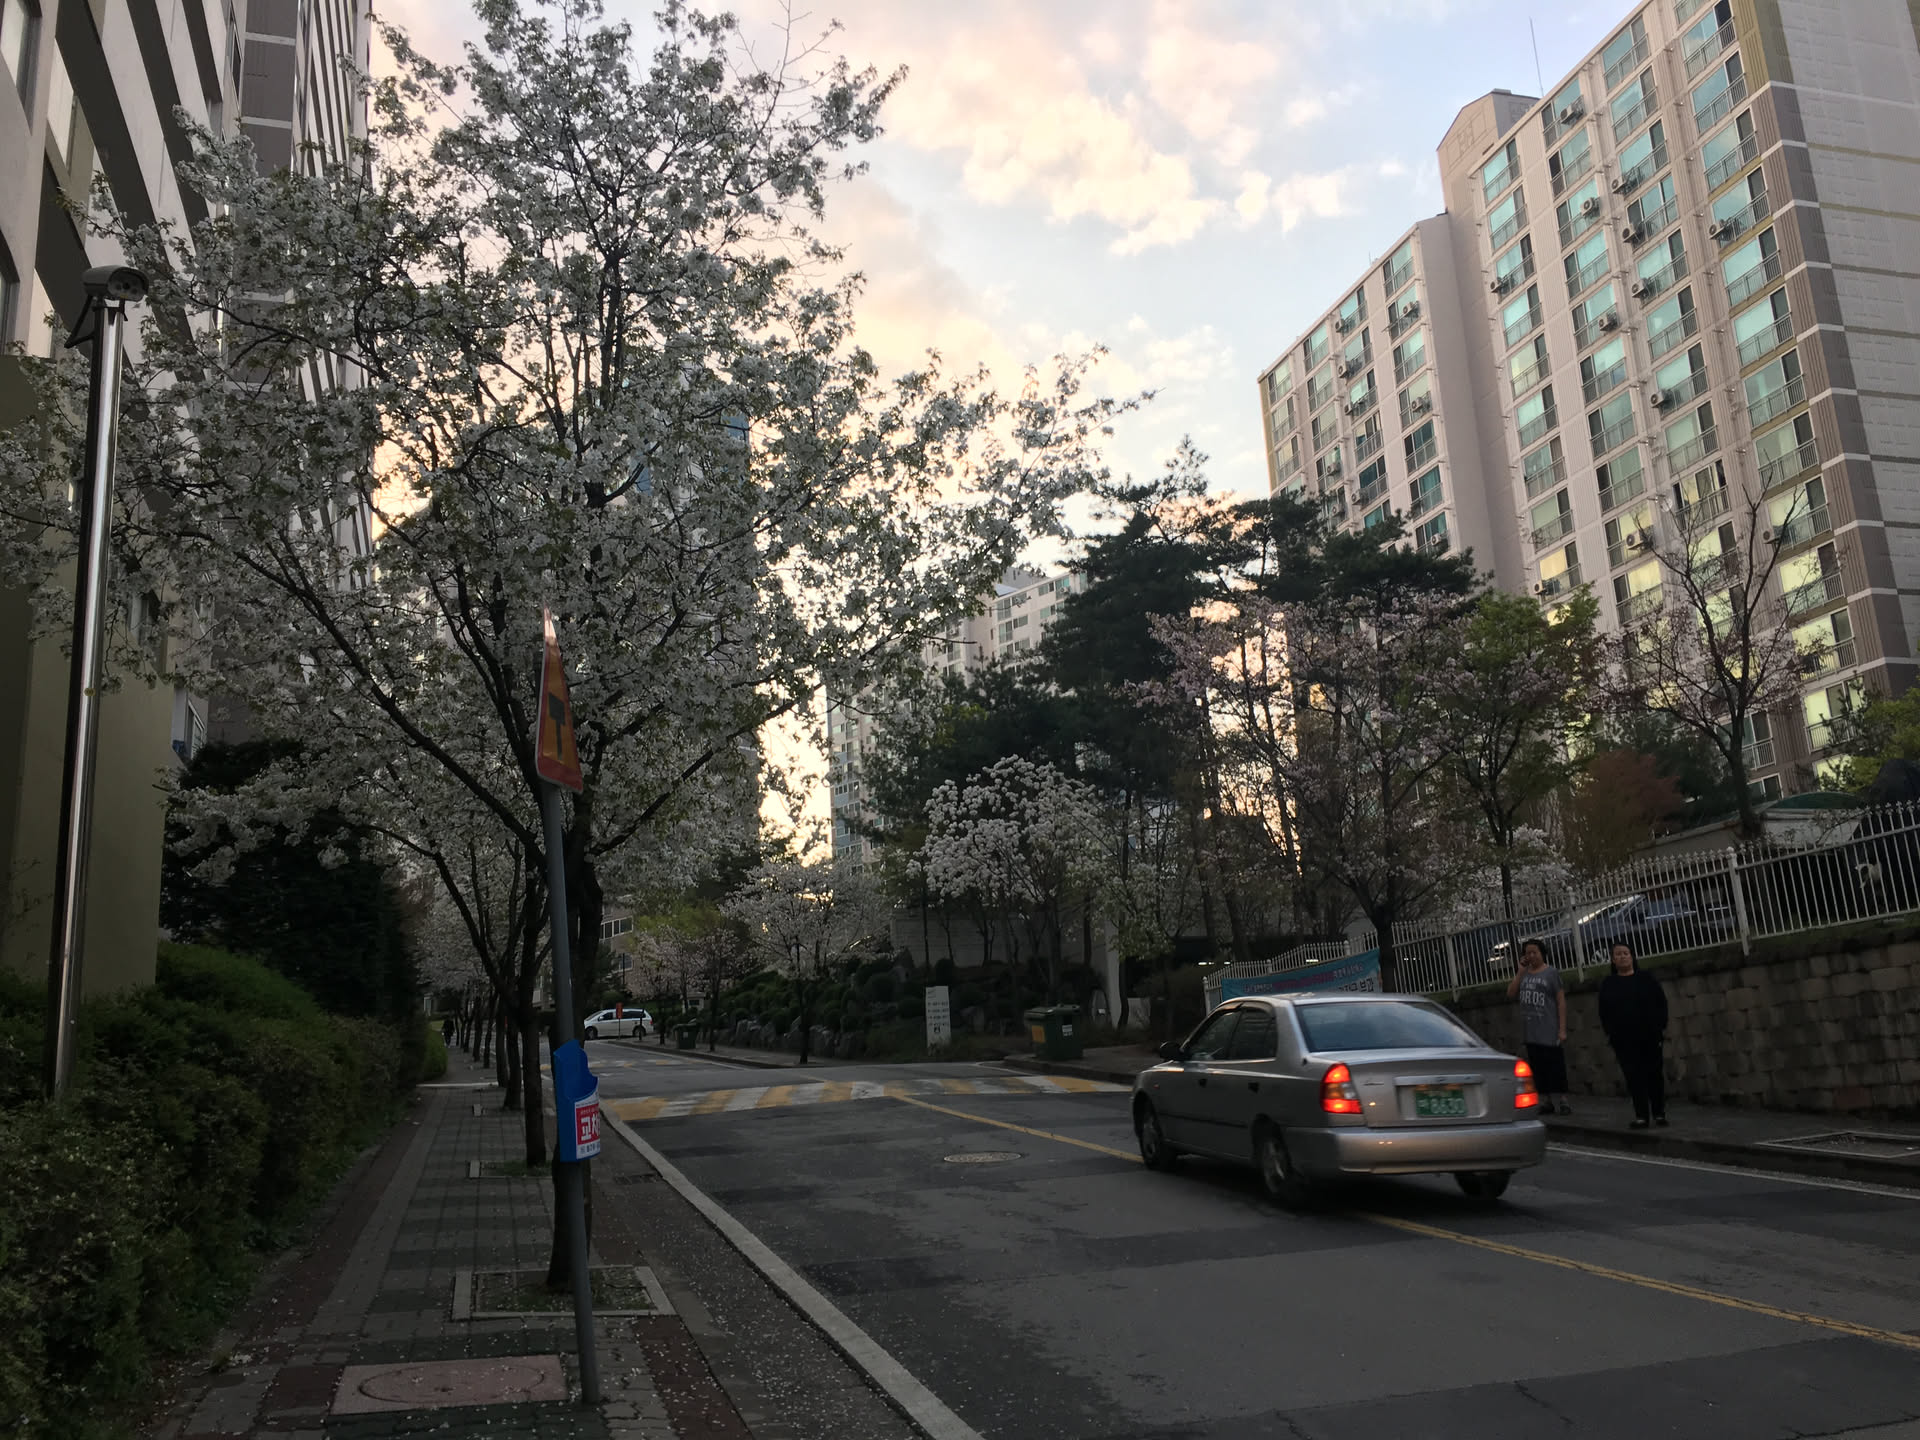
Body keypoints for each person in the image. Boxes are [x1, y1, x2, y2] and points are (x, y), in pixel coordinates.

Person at [1597, 940, 1668, 1128]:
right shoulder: (1609, 984)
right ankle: (1641, 1116)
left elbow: (1661, 1003)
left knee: (1654, 1075)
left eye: (1625, 953)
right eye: (1618, 954)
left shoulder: (1646, 979)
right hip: (1624, 1040)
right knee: (1634, 1077)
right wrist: (1611, 1034)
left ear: (1632, 956)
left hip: (1650, 1037)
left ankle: (1659, 1113)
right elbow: (1604, 1011)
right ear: (1613, 960)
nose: (1622, 957)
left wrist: (1660, 1028)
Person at [1505, 937, 1571, 1114]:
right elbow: (1511, 993)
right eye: (1528, 953)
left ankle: (1563, 1100)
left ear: (1542, 953)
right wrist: (1520, 972)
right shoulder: (1524, 974)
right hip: (1531, 1031)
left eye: (1535, 952)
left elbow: (1560, 1001)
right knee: (1538, 1067)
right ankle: (1546, 1100)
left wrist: (1562, 1029)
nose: (1531, 956)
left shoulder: (1551, 973)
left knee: (1555, 1065)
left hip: (1549, 1029)